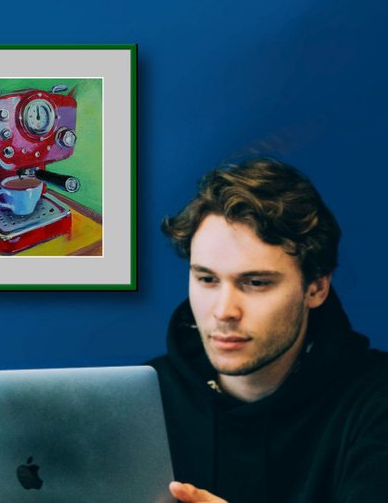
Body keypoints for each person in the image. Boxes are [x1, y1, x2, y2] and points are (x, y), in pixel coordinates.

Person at [150, 157, 388, 503]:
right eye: (206, 279)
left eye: (256, 282)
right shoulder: (145, 398)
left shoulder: (375, 403)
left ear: (316, 288)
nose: (223, 311)